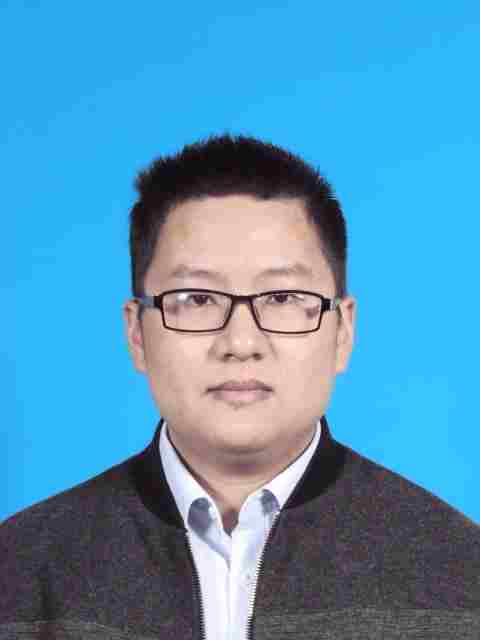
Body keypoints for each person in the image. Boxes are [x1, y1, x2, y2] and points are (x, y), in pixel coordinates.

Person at [2, 134, 479, 639]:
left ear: (342, 331)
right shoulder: (19, 570)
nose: (241, 342)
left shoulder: (460, 574)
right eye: (197, 298)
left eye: (283, 297)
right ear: (137, 333)